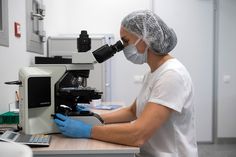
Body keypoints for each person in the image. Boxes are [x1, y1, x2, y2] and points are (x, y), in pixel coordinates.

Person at [54, 10, 198, 157]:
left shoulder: (171, 75)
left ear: (144, 38)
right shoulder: (153, 73)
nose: (123, 48)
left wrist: (88, 130)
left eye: (126, 41)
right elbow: (132, 112)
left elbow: (138, 134)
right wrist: (91, 117)